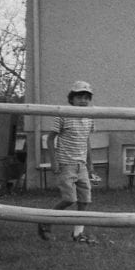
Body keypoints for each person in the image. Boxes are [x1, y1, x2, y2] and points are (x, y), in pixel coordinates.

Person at [38, 81, 97, 244]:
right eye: (79, 97)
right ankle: (46, 221)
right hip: (66, 164)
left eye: (86, 97)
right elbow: (51, 139)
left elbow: (87, 141)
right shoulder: (62, 115)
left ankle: (78, 233)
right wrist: (53, 161)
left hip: (82, 165)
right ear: (72, 98)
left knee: (85, 200)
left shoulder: (90, 116)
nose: (83, 101)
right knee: (69, 199)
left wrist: (90, 165)